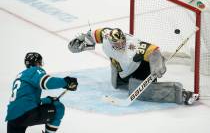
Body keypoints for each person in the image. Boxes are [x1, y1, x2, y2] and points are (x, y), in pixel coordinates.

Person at [68, 27, 196, 105]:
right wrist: (84, 39)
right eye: (117, 44)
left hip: (140, 68)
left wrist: (157, 63)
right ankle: (127, 79)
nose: (121, 45)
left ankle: (182, 94)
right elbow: (95, 34)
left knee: (141, 92)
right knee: (116, 85)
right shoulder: (107, 36)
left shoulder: (132, 45)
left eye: (122, 42)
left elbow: (152, 50)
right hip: (122, 70)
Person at [5, 52, 78, 133]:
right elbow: (47, 82)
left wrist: (48, 100)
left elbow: (24, 101)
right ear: (37, 63)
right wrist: (66, 82)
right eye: (40, 62)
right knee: (59, 108)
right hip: (26, 114)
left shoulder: (20, 76)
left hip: (12, 118)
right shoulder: (35, 70)